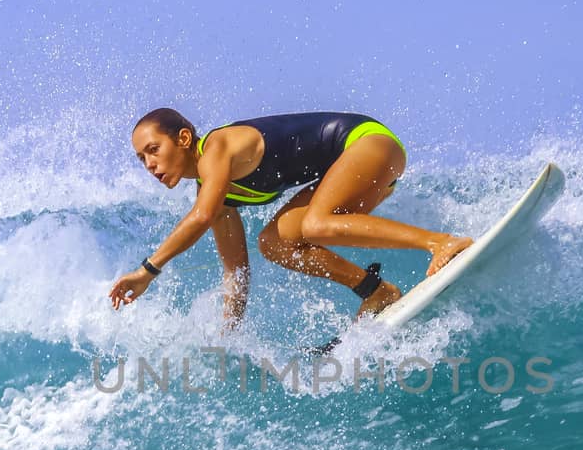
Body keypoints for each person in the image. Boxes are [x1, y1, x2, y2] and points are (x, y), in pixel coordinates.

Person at [108, 109, 473, 327]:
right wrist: (228, 336)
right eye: (141, 159)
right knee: (275, 243)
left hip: (368, 143)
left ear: (184, 138)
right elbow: (236, 269)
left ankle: (441, 243)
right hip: (350, 171)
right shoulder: (217, 197)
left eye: (153, 150)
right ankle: (376, 291)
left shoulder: (216, 148)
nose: (149, 164)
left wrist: (147, 271)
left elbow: (200, 217)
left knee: (316, 224)